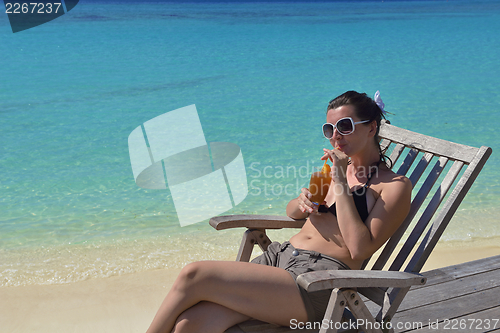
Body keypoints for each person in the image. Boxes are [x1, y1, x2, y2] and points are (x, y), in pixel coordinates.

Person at [146, 91, 412, 333]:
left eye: (344, 126)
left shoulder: (393, 187)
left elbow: (358, 249)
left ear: (371, 128)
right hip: (279, 259)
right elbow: (293, 213)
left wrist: (341, 179)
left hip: (320, 281)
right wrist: (301, 202)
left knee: (194, 275)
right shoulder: (330, 170)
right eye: (329, 128)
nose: (335, 136)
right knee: (190, 324)